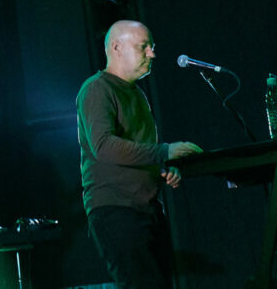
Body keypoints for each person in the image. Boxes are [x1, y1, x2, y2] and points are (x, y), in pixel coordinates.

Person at [77, 20, 203, 288]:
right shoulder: (97, 89)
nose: (152, 54)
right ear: (117, 47)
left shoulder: (138, 96)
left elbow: (137, 154)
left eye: (152, 47)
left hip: (147, 212)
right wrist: (164, 150)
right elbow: (103, 146)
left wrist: (163, 167)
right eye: (143, 47)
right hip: (116, 211)